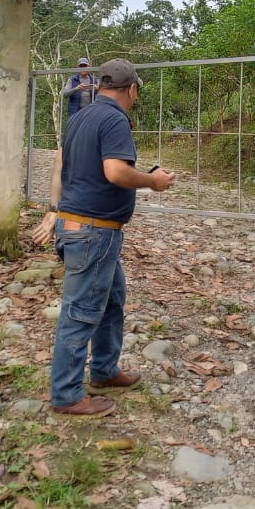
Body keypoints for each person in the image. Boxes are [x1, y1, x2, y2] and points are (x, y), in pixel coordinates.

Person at [49, 58, 176, 417]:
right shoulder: (115, 119)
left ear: (100, 85)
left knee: (112, 299)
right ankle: (67, 394)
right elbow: (116, 171)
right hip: (93, 231)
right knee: (80, 312)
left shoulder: (81, 117)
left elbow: (67, 166)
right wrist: (153, 181)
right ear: (132, 89)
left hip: (82, 227)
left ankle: (104, 371)